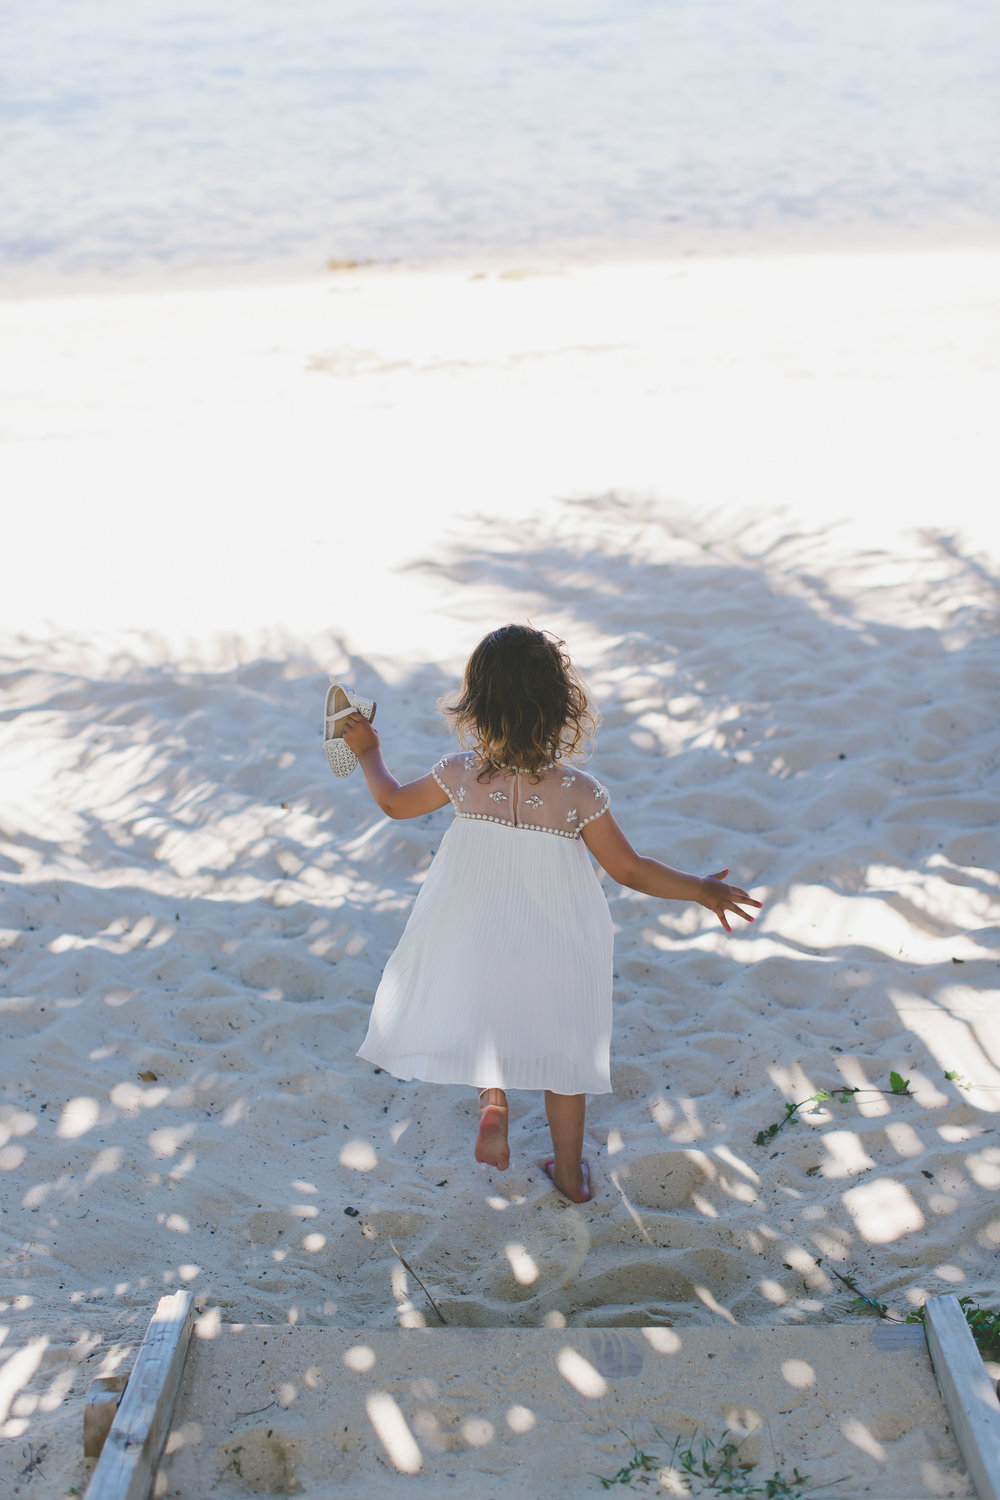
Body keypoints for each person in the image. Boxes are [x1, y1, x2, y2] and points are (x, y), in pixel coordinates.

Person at [341, 625, 760, 1203]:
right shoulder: (579, 792)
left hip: (475, 923)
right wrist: (699, 890)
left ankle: (494, 1100)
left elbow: (392, 803)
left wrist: (368, 752)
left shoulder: (460, 773)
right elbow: (629, 869)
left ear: (477, 707)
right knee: (565, 1053)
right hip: (555, 934)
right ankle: (569, 1175)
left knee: (490, 1012)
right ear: (561, 707)